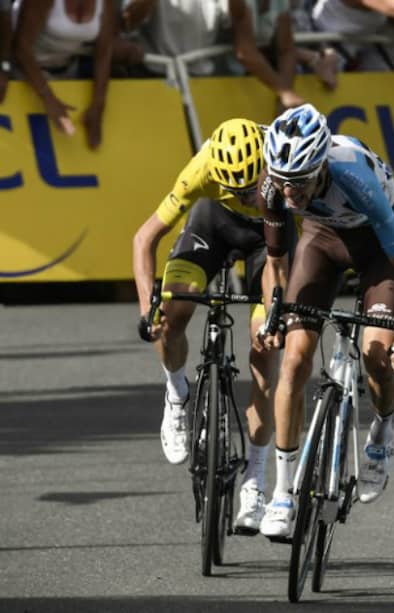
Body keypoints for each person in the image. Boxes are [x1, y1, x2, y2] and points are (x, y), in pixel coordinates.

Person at [254, 103, 394, 539]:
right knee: (293, 360)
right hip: (321, 242)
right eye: (283, 183)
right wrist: (274, 313)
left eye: (300, 183)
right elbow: (275, 263)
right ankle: (283, 491)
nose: (289, 194)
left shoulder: (354, 177)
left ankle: (382, 431)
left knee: (376, 357)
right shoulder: (274, 186)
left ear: (321, 168)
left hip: (376, 249)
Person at [132, 118, 295, 534]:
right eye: (235, 188)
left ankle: (255, 481)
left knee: (265, 348)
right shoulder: (201, 169)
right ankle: (176, 392)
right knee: (171, 317)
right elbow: (143, 239)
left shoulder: (284, 159)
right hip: (214, 223)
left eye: (249, 185)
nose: (245, 194)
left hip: (272, 238)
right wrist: (146, 309)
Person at [13, 0, 118, 149]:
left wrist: (98, 105)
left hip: (67, 72)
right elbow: (21, 48)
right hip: (26, 76)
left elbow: (104, 52)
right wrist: (48, 98)